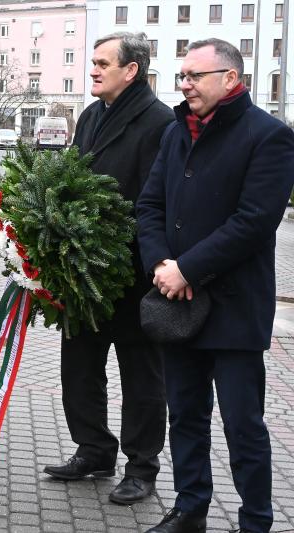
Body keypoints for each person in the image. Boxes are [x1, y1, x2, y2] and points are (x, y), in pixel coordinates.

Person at [137, 38, 294, 533]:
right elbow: (150, 206)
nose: (183, 85)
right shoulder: (175, 131)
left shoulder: (269, 135)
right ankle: (190, 510)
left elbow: (254, 222)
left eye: (194, 76)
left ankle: (256, 520)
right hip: (176, 302)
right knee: (184, 415)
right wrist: (163, 265)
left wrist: (189, 269)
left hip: (233, 308)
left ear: (231, 79)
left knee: (242, 424)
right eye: (181, 76)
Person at [42, 32, 174, 505]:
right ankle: (94, 449)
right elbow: (74, 181)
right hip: (83, 274)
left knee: (141, 375)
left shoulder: (159, 121)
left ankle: (142, 467)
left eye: (102, 63)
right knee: (79, 366)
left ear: (131, 70)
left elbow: (155, 200)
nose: (93, 70)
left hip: (131, 274)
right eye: (92, 63)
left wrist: (113, 240)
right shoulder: (92, 115)